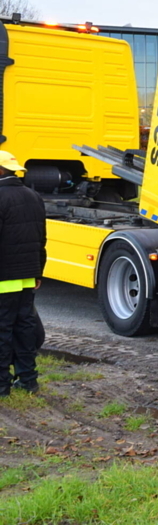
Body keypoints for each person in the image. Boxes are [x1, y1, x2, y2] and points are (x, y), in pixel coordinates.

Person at [0, 150, 47, 397]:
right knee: (25, 329)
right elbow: (41, 238)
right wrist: (38, 271)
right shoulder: (33, 196)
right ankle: (28, 380)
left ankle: (2, 386)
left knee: (2, 331)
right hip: (27, 277)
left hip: (3, 277)